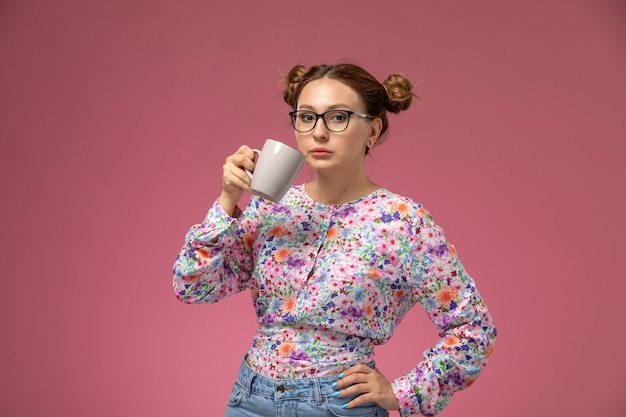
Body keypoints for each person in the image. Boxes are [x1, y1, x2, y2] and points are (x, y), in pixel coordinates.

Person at [173, 63, 497, 417]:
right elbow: (193, 287)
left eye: (338, 117)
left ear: (372, 130)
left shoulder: (403, 223)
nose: (319, 132)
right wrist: (227, 200)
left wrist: (406, 391)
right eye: (306, 117)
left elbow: (473, 328)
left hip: (337, 406)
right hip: (250, 399)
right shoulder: (272, 208)